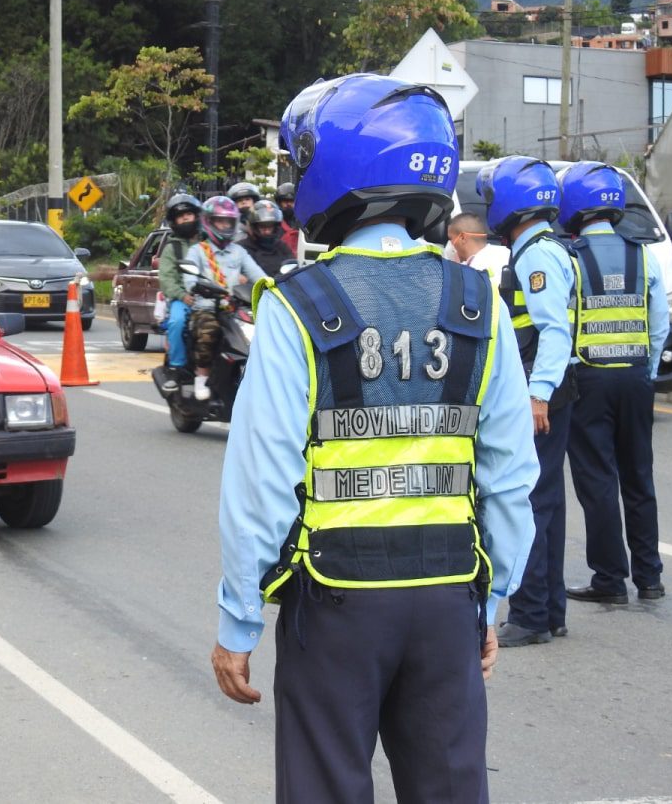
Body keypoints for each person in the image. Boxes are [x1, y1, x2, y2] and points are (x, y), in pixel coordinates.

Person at [211, 74, 538, 803]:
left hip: (336, 603)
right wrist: (493, 603)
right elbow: (512, 476)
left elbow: (260, 484)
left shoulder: (300, 306)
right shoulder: (477, 301)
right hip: (450, 595)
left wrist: (238, 620)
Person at [478, 156, 579, 647]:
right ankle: (549, 611)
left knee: (530, 500)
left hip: (541, 392)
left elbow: (553, 332)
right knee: (549, 503)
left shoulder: (536, 254)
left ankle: (532, 615)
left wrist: (538, 395)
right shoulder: (543, 248)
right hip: (551, 390)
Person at [560, 162, 669, 605]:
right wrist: (648, 371)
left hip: (589, 380)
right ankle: (650, 578)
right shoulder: (644, 255)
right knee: (639, 477)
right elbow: (658, 324)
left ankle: (609, 580)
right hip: (637, 377)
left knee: (598, 480)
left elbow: (562, 325)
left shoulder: (570, 258)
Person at [182, 196, 266, 401]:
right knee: (208, 332)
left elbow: (259, 275)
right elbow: (189, 280)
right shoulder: (199, 251)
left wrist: (274, 286)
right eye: (220, 221)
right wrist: (198, 286)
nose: (225, 225)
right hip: (207, 308)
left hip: (234, 309)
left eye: (228, 222)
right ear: (209, 222)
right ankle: (201, 377)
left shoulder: (239, 252)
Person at [158, 193, 204, 392]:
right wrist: (182, 296)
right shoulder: (171, 248)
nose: (185, 218)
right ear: (174, 222)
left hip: (212, 297)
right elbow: (166, 279)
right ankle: (177, 367)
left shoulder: (208, 243)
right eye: (180, 216)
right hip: (183, 299)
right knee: (176, 322)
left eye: (189, 214)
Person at [239, 199, 295, 277]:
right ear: (253, 226)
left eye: (270, 227)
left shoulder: (281, 246)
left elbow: (293, 267)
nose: (267, 231)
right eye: (262, 227)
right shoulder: (242, 249)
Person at [446, 211, 510, 278]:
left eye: (451, 239)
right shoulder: (507, 254)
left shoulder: (475, 270)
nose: (450, 244)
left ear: (462, 238)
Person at [274, 182, 300, 255]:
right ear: (279, 202)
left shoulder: (303, 222)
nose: (288, 204)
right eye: (285, 201)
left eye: (291, 201)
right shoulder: (274, 222)